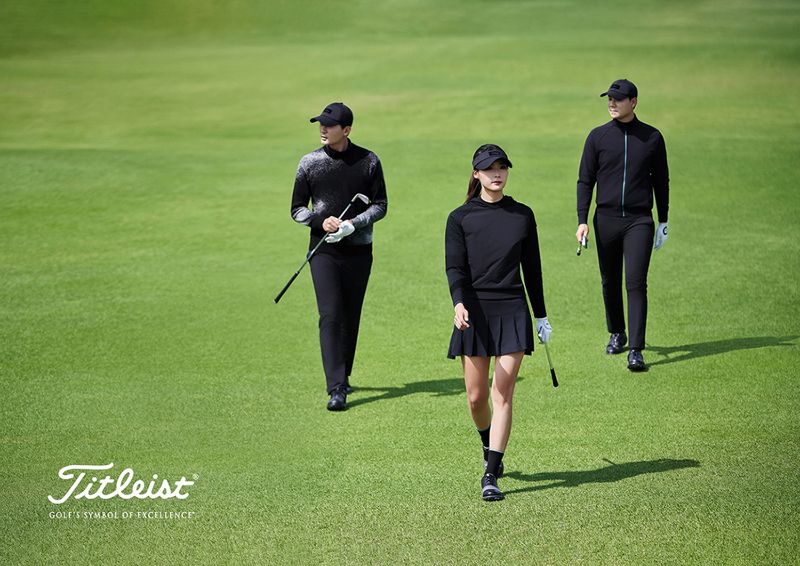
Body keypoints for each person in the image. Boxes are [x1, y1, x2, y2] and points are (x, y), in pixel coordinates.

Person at [445, 144, 552, 501]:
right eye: (489, 168)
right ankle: (487, 442)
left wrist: (541, 315)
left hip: (511, 310)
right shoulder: (459, 218)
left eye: (502, 167)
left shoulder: (522, 215)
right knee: (476, 399)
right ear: (476, 173)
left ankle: (491, 473)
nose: (497, 173)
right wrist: (458, 302)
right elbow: (455, 268)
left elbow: (532, 270)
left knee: (501, 392)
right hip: (474, 311)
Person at [291, 102, 388, 411]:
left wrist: (352, 225)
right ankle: (336, 387)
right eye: (320, 123)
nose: (322, 128)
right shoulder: (309, 163)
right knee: (330, 314)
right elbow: (297, 209)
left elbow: (380, 205)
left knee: (350, 316)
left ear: (345, 130)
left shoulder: (368, 161)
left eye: (329, 125)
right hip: (324, 251)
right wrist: (321, 222)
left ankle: (342, 375)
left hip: (359, 251)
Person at [575, 79, 670, 371]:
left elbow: (661, 181)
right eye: (609, 99)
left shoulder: (652, 138)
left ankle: (636, 351)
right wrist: (581, 221)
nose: (612, 103)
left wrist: (663, 220)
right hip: (605, 220)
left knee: (636, 282)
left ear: (634, 102)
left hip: (639, 220)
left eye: (618, 99)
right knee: (609, 280)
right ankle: (617, 332)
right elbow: (585, 181)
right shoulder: (598, 137)